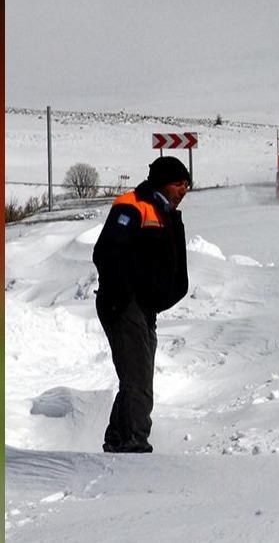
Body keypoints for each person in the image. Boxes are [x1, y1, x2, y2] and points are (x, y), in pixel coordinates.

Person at [92, 156, 191, 453]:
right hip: (123, 303)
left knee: (137, 374)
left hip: (145, 306)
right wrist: (123, 294)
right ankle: (135, 441)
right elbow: (107, 253)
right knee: (137, 376)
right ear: (162, 182)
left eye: (187, 184)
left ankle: (118, 437)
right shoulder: (131, 205)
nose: (183, 190)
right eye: (178, 183)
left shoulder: (164, 212)